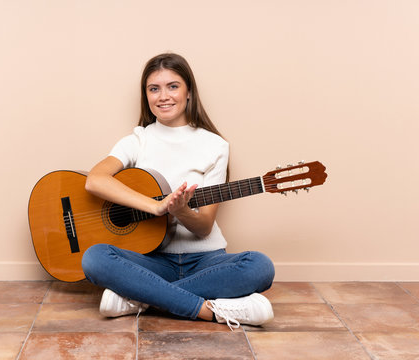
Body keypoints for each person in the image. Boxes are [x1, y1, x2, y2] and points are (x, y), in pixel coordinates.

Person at [81, 53, 275, 329]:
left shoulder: (215, 145)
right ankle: (212, 311)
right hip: (152, 260)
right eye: (154, 88)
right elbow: (95, 180)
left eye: (173, 86)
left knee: (260, 266)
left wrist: (182, 211)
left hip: (206, 262)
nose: (163, 96)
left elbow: (205, 227)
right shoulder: (139, 140)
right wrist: (156, 207)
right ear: (146, 96)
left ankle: (141, 298)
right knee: (94, 258)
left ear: (189, 93)